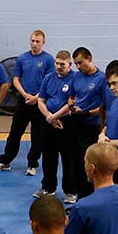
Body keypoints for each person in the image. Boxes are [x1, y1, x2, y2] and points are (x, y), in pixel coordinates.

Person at [0, 30, 53, 175]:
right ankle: (5, 161)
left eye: (37, 41)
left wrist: (37, 97)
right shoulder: (22, 58)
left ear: (43, 42)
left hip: (40, 102)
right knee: (14, 132)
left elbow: (49, 82)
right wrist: (25, 94)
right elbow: (16, 79)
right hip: (23, 100)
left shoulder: (49, 60)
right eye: (32, 41)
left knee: (37, 136)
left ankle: (32, 164)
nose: (34, 44)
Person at [34, 50, 80, 202]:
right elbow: (41, 100)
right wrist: (49, 117)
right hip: (49, 122)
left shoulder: (75, 78)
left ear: (69, 64)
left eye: (62, 64)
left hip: (67, 122)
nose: (59, 67)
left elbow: (71, 102)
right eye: (57, 63)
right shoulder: (48, 77)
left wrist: (55, 116)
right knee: (48, 156)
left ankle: (71, 191)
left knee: (68, 158)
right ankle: (48, 187)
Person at [68, 47, 110, 200]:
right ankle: (79, 195)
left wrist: (87, 112)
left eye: (80, 62)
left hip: (92, 125)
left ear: (89, 58)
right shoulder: (76, 77)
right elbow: (72, 97)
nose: (78, 66)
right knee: (75, 162)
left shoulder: (101, 79)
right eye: (76, 64)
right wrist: (72, 106)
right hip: (76, 123)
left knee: (89, 162)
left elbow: (104, 107)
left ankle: (90, 196)